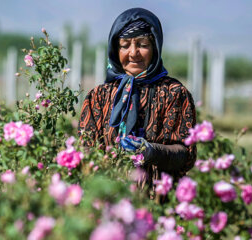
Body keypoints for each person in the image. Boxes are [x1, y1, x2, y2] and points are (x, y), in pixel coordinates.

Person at [78, 8, 196, 198]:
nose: (133, 53)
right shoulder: (99, 97)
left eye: (142, 44)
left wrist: (150, 151)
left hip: (159, 204)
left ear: (155, 48)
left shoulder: (174, 94)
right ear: (115, 50)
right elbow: (86, 151)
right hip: (109, 202)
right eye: (125, 45)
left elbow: (185, 155)